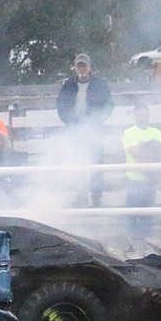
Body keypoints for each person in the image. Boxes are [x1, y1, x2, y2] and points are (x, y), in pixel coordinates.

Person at [56, 53, 115, 207]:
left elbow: (109, 105)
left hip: (94, 129)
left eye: (84, 65)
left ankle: (96, 197)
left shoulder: (100, 84)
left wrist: (97, 120)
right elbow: (61, 105)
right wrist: (70, 121)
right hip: (75, 130)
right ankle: (80, 195)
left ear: (90, 67)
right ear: (75, 68)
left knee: (96, 164)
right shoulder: (68, 85)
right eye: (79, 65)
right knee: (77, 163)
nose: (82, 68)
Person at [122, 102, 161, 239]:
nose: (143, 116)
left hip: (151, 181)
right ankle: (131, 242)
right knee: (132, 215)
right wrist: (152, 150)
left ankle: (144, 242)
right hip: (134, 180)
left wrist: (145, 150)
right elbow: (135, 152)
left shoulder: (156, 132)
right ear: (135, 115)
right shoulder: (129, 132)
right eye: (140, 113)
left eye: (145, 113)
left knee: (147, 215)